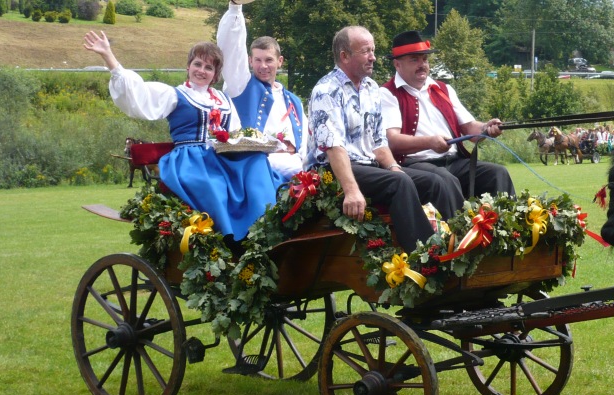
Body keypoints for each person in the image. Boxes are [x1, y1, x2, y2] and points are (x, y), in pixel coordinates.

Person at [83, 30, 284, 241]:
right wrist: (109, 56)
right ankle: (231, 238)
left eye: (209, 67)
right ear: (188, 67)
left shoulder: (224, 100)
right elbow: (137, 94)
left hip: (222, 157)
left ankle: (265, 225)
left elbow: (235, 133)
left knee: (258, 162)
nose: (201, 70)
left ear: (215, 75)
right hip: (190, 160)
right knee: (213, 184)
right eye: (198, 64)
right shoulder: (175, 94)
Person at [305, 26, 453, 253]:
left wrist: (394, 167)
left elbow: (379, 142)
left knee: (434, 182)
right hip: (333, 170)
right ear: (344, 56)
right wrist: (351, 191)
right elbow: (334, 148)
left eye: (373, 50)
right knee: (400, 184)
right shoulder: (326, 90)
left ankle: (458, 246)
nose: (373, 57)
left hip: (368, 167)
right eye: (366, 51)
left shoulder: (371, 88)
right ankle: (426, 258)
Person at [380, 31, 515, 213]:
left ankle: (505, 227)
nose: (422, 65)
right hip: (415, 164)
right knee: (445, 180)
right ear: (397, 64)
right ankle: (459, 230)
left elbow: (470, 128)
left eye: (425, 59)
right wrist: (429, 142)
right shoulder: (387, 94)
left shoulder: (444, 89)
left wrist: (486, 127)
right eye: (414, 60)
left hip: (455, 162)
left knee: (498, 173)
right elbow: (392, 141)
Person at [217, 1, 307, 180]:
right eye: (257, 60)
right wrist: (235, 7)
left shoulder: (293, 101)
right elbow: (232, 50)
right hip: (258, 168)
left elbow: (305, 141)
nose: (263, 66)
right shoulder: (241, 86)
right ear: (250, 61)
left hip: (296, 167)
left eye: (269, 60)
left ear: (280, 61)